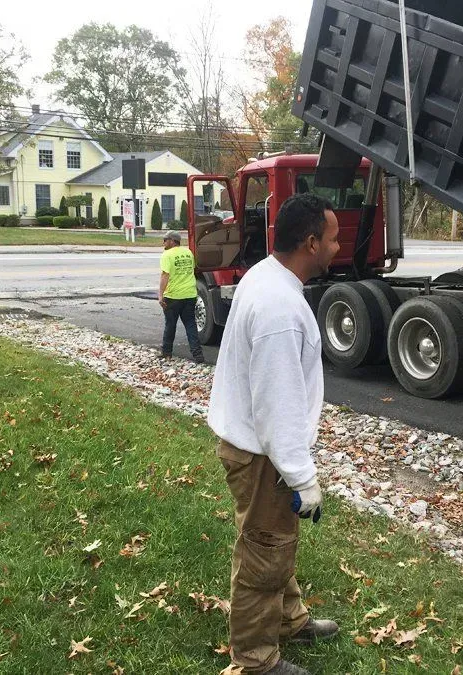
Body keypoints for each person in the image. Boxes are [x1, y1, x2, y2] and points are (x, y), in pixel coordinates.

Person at [208, 193, 341, 675]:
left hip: (254, 448)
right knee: (263, 554)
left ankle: (289, 620)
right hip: (264, 456)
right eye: (331, 239)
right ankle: (257, 659)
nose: (336, 246)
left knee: (273, 539)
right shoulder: (279, 310)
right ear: (309, 242)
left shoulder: (265, 276)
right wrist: (303, 479)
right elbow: (277, 405)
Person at [158, 230, 204, 363]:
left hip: (173, 296)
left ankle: (167, 353)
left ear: (172, 241)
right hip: (190, 294)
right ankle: (198, 355)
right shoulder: (188, 253)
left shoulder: (167, 255)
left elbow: (165, 275)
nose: (163, 242)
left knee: (170, 325)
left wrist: (160, 295)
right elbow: (192, 270)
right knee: (190, 324)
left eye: (165, 239)